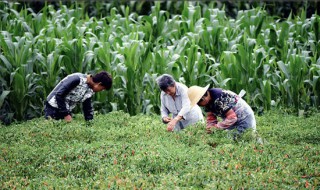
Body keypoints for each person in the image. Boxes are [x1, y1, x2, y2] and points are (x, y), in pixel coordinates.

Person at [188, 85, 257, 139]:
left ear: (203, 98)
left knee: (246, 138)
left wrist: (216, 127)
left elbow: (232, 118)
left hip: (243, 117)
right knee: (229, 138)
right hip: (231, 119)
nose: (199, 105)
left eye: (198, 103)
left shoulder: (218, 99)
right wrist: (210, 128)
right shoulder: (208, 102)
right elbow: (211, 118)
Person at [44, 71, 112, 122]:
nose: (101, 91)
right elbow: (59, 95)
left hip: (66, 109)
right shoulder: (77, 79)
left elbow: (87, 108)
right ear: (99, 84)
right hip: (53, 106)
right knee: (51, 130)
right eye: (102, 89)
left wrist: (90, 124)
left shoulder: (90, 90)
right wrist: (66, 115)